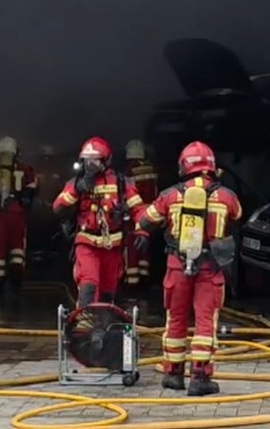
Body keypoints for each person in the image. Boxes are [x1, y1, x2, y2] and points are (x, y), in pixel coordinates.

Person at [138, 141, 242, 396]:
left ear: (184, 165)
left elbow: (145, 220)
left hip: (177, 266)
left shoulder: (170, 195)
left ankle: (173, 373)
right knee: (205, 322)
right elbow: (237, 215)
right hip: (210, 268)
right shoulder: (226, 196)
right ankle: (200, 378)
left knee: (176, 319)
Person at [52, 136, 149, 307]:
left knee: (108, 287)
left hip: (113, 245)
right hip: (86, 243)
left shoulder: (121, 183)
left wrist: (142, 231)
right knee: (89, 283)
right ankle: (85, 322)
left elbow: (138, 209)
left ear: (106, 160)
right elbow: (58, 207)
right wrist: (79, 188)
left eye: (95, 161)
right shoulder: (75, 183)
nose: (90, 165)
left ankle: (103, 323)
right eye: (87, 161)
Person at [0, 136, 37, 297]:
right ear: (16, 152)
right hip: (17, 213)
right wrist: (25, 198)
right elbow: (33, 186)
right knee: (18, 246)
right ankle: (17, 275)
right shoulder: (24, 169)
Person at [122, 139, 159, 289]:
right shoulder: (151, 168)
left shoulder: (129, 170)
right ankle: (144, 275)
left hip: (134, 211)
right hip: (151, 212)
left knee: (131, 244)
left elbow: (127, 193)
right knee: (145, 244)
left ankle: (132, 282)